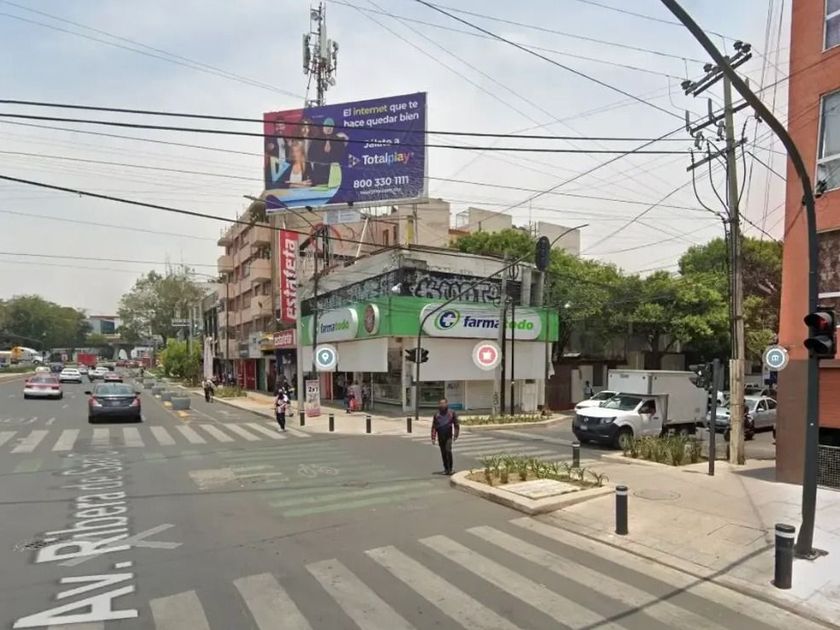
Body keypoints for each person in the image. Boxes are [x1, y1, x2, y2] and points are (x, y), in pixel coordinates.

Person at [431, 398, 460, 475]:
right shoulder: (437, 415)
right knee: (443, 453)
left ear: (447, 404)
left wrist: (456, 434)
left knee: (448, 451)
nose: (442, 405)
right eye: (441, 403)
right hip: (440, 436)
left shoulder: (451, 413)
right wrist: (433, 438)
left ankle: (450, 469)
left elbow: (456, 424)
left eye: (444, 403)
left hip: (448, 436)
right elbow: (434, 427)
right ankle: (446, 469)